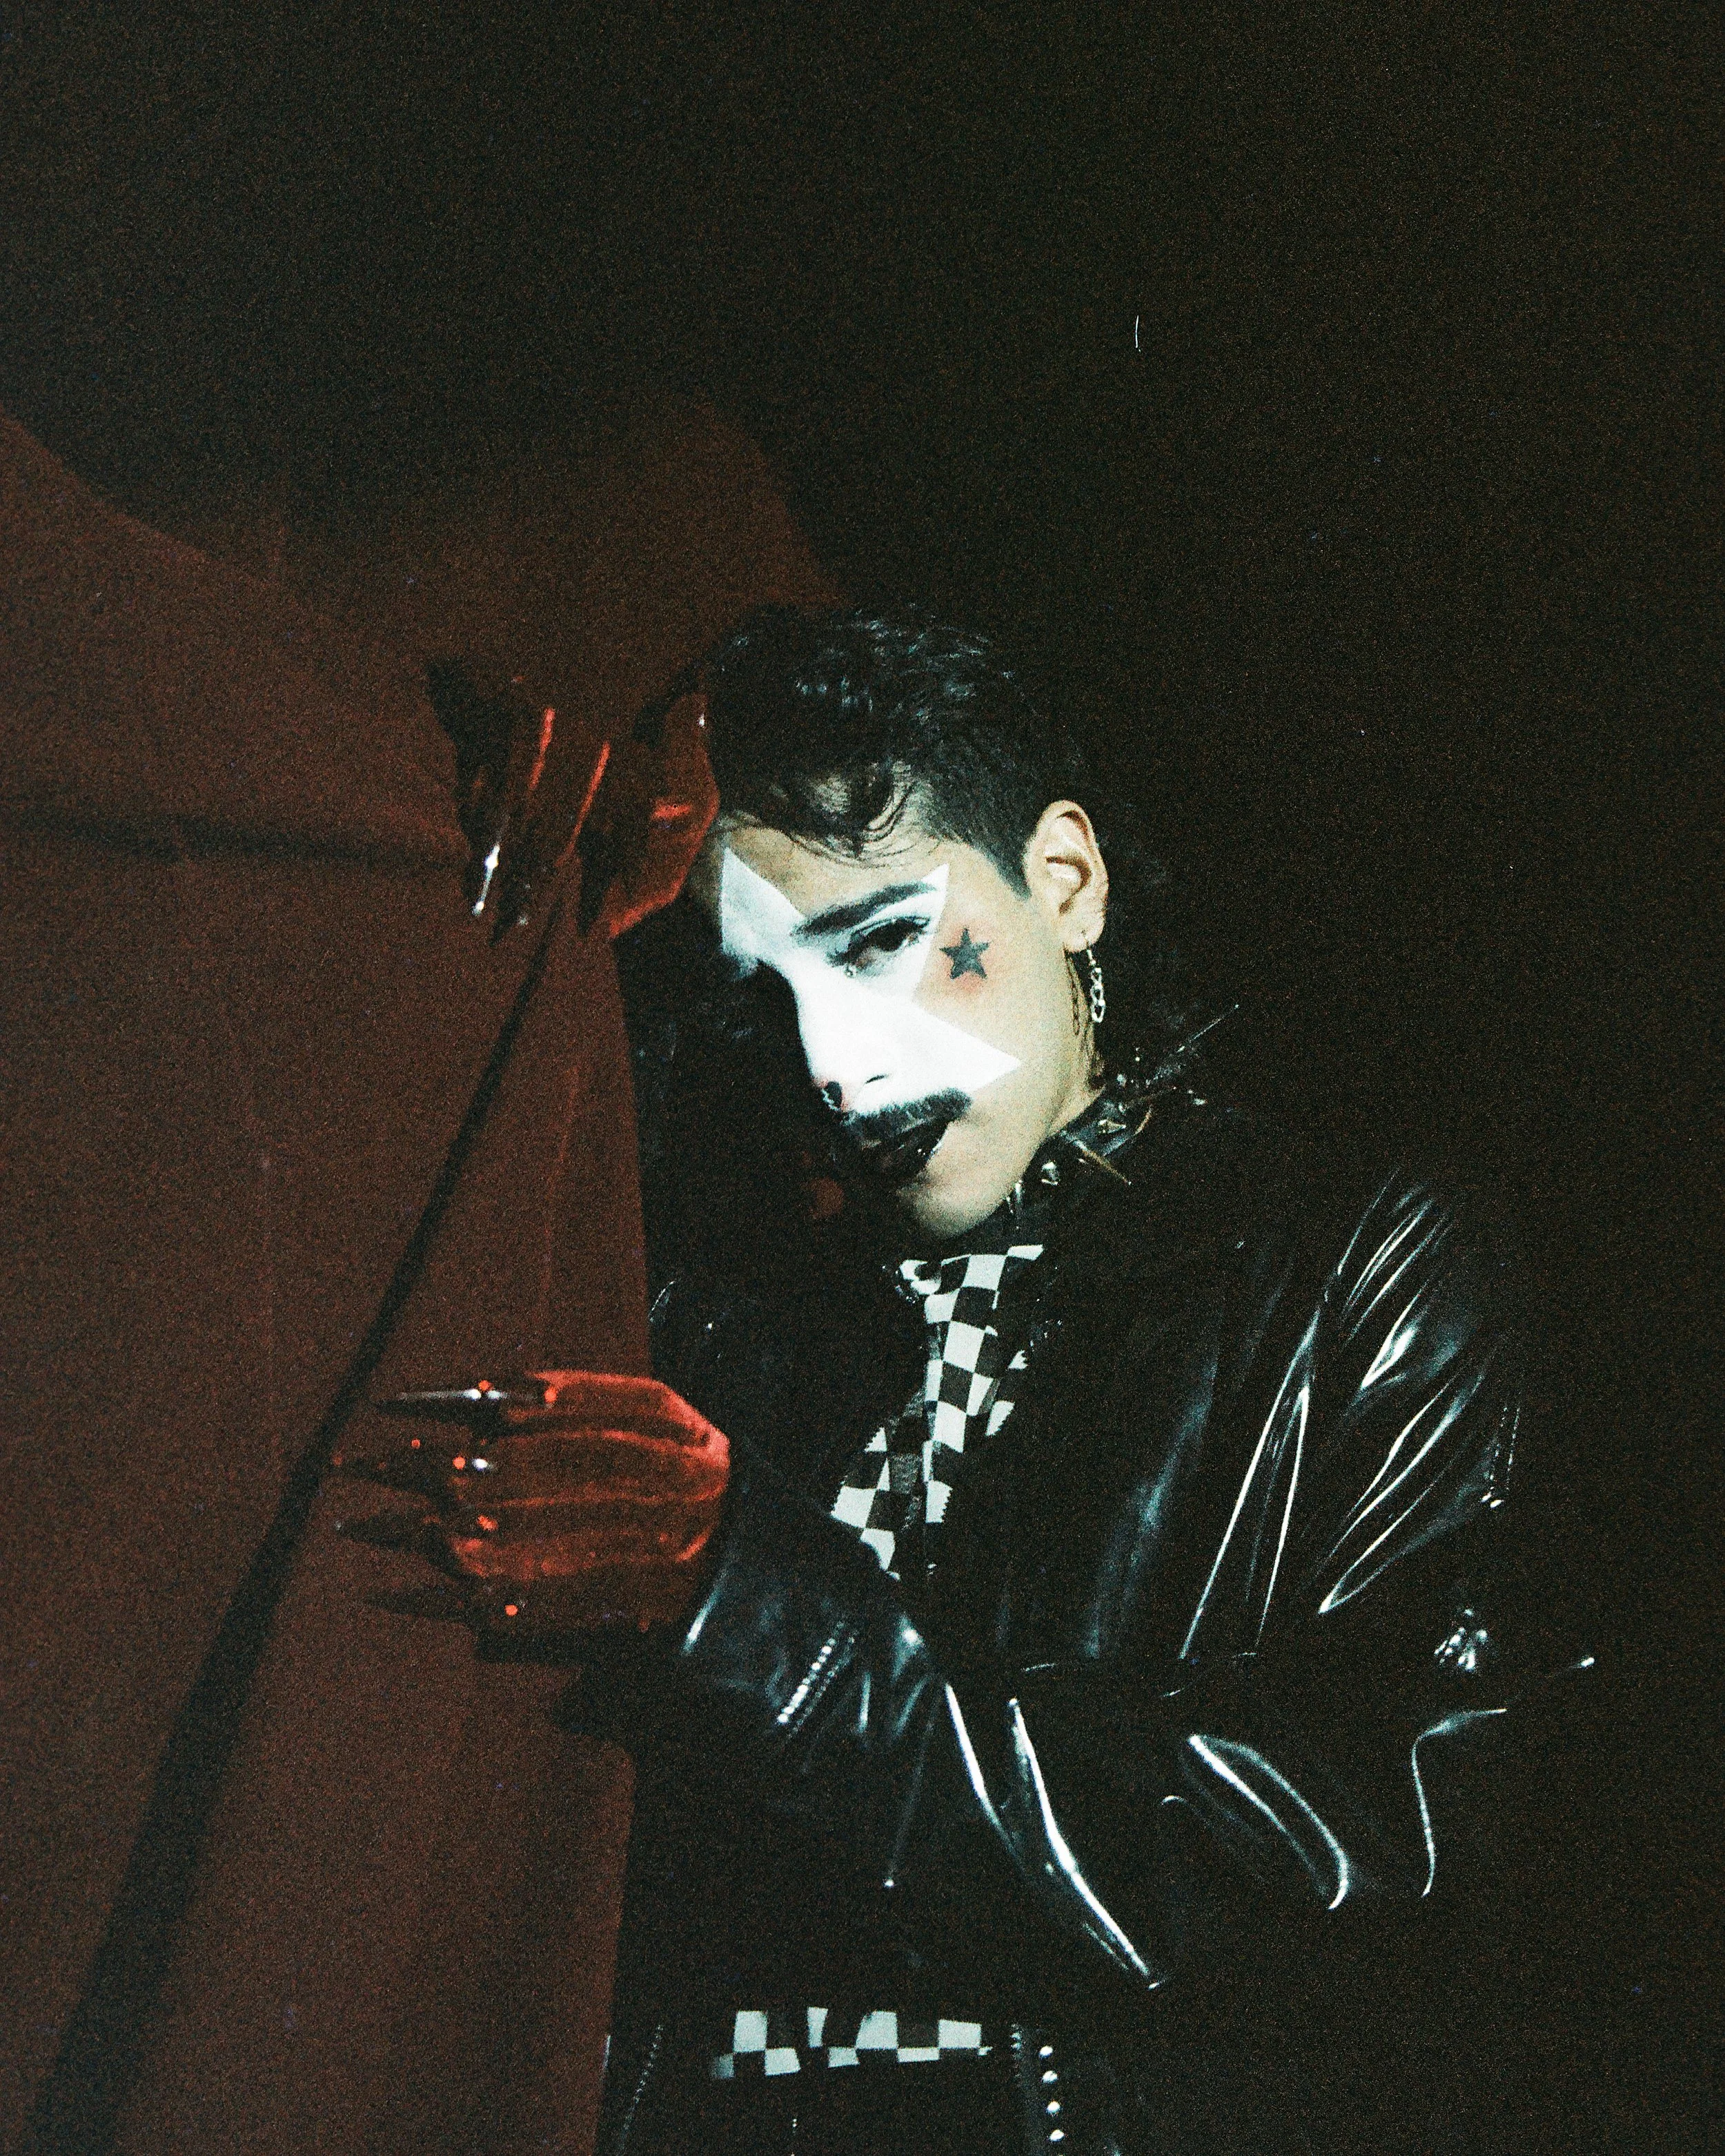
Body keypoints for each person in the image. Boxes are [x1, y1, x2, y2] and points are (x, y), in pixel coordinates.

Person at [356, 604, 1582, 2156]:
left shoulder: (1342, 1262)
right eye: (770, 992)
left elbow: (1357, 1858)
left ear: (1062, 882)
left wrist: (765, 1608)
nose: (837, 1063)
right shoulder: (733, 1302)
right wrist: (460, 854)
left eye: (879, 942)